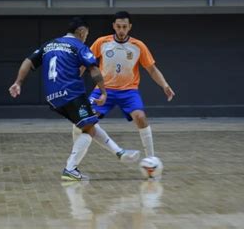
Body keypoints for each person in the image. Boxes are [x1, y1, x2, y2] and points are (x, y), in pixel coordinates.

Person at [9, 17, 137, 181]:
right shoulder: (79, 46)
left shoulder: (49, 45)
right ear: (81, 32)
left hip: (52, 97)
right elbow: (94, 70)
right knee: (89, 128)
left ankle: (119, 152)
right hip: (71, 93)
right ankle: (70, 168)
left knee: (89, 123)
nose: (86, 37)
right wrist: (104, 92)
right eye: (86, 34)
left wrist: (18, 82)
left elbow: (28, 61)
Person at [73, 11, 175, 160]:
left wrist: (165, 85)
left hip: (129, 91)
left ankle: (151, 160)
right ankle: (74, 165)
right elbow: (84, 64)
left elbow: (152, 69)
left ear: (129, 27)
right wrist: (74, 81)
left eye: (124, 27)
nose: (121, 30)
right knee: (85, 122)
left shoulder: (138, 46)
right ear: (114, 26)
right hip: (103, 90)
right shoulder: (102, 42)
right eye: (119, 26)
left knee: (140, 117)